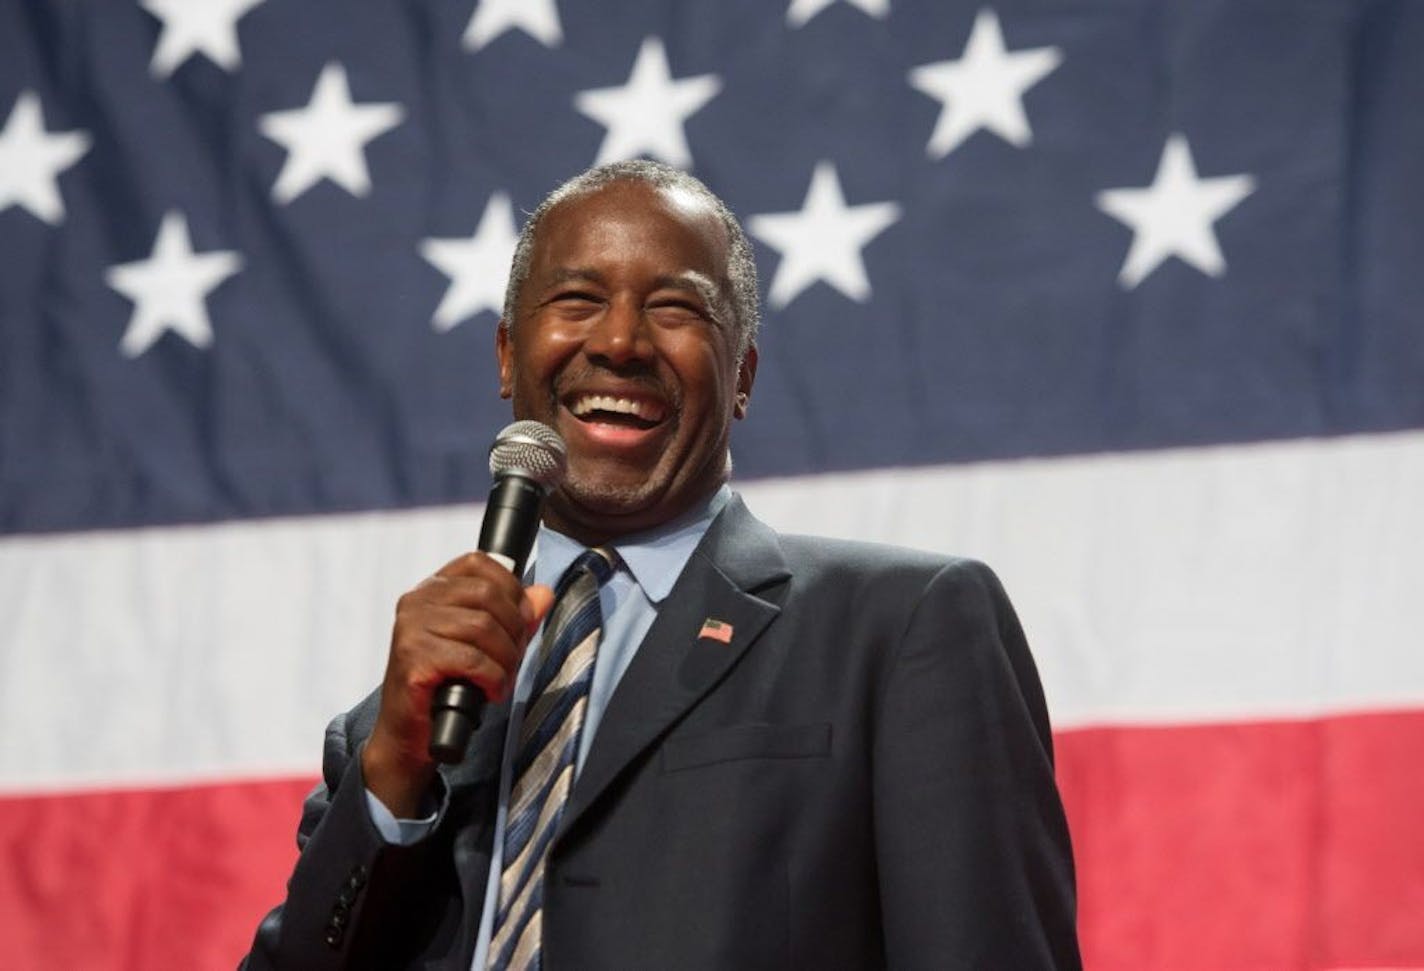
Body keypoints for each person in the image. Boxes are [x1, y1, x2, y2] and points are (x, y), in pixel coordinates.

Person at [244, 160, 1080, 969]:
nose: (618, 341)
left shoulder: (900, 629)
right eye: (577, 300)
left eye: (677, 309)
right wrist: (392, 770)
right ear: (506, 354)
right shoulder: (406, 721)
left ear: (743, 375)